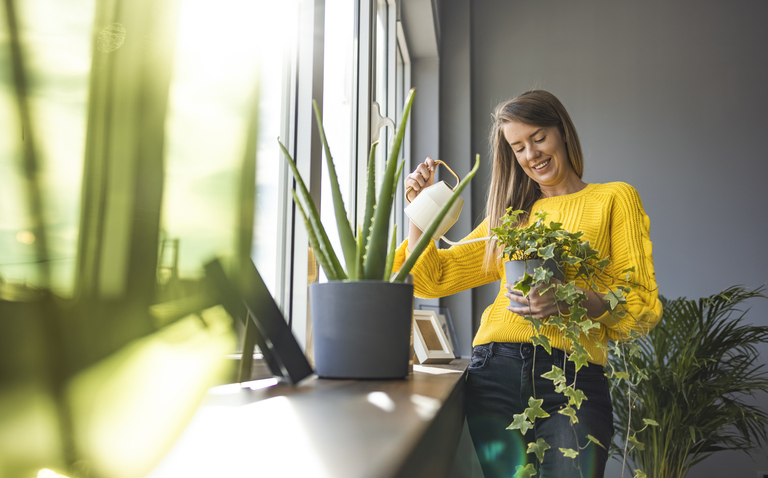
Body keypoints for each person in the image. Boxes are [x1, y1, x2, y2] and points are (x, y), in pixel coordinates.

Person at [392, 90, 662, 478]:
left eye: (538, 138)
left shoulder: (614, 199)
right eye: (518, 147)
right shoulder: (511, 220)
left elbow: (640, 306)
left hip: (573, 378)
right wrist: (420, 211)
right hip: (494, 373)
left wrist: (570, 301)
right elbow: (432, 279)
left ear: (562, 132)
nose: (531, 154)